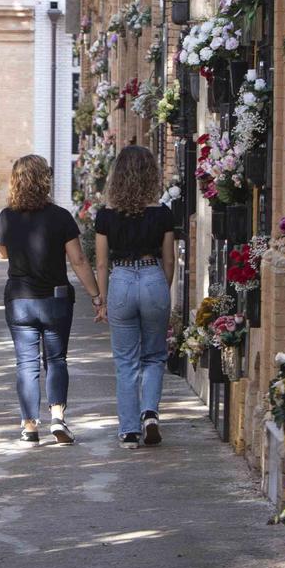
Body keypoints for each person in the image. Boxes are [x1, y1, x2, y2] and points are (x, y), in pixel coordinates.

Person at [0, 154, 102, 445]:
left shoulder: (6, 216)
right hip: (55, 299)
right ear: (44, 181)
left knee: (26, 364)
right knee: (56, 359)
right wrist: (95, 296)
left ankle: (29, 426)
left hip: (19, 300)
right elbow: (78, 260)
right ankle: (57, 417)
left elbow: (3, 253)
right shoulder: (60, 217)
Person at [93, 145, 177, 451]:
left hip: (122, 280)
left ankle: (128, 431)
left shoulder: (105, 216)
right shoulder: (163, 214)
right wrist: (161, 290)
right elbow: (169, 261)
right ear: (151, 175)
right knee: (154, 356)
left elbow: (101, 263)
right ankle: (150, 413)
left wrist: (101, 299)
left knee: (125, 361)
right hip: (153, 276)